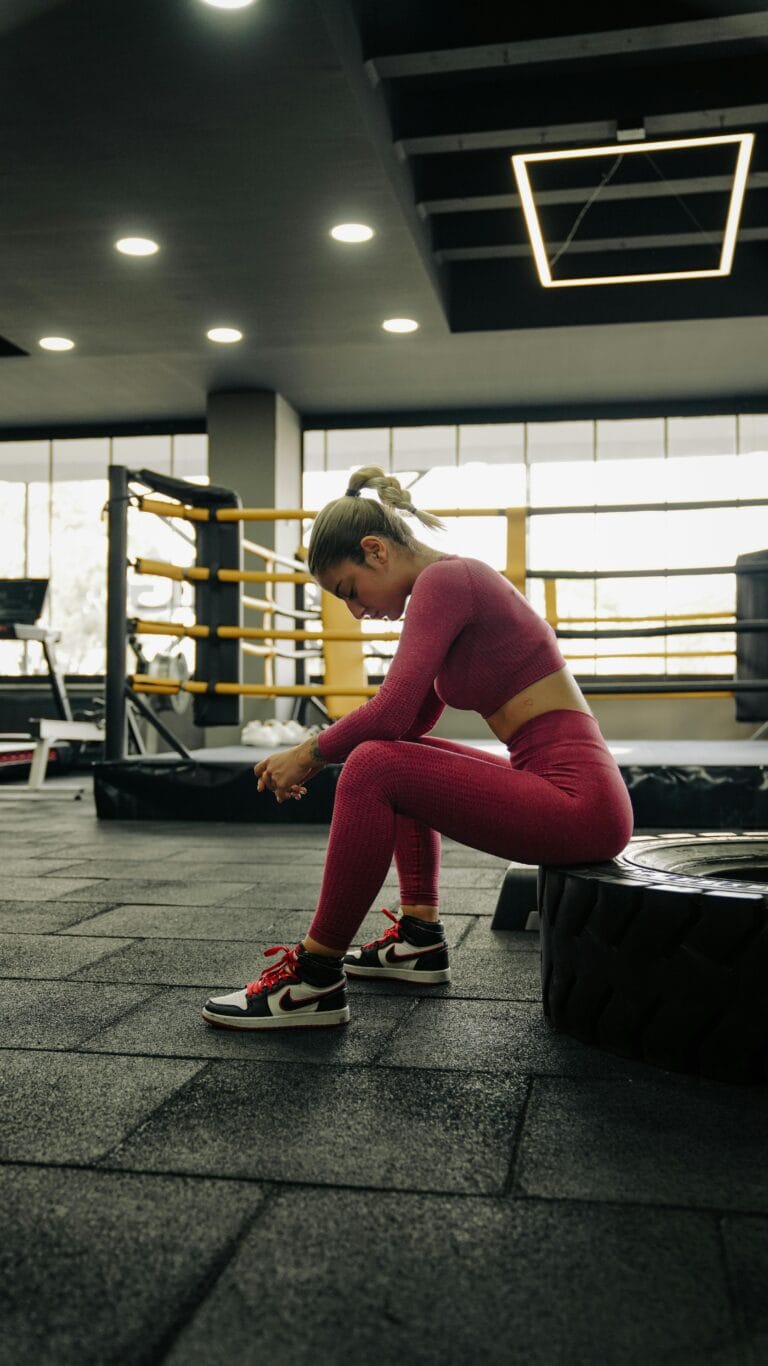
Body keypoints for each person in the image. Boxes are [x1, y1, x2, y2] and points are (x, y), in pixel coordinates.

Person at [202, 466, 634, 1031]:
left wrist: (305, 754)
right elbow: (401, 725)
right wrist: (327, 749)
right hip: (570, 794)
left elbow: (390, 709)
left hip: (580, 801)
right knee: (390, 754)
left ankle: (314, 977)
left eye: (351, 591)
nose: (356, 612)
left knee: (374, 765)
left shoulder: (449, 582)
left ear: (376, 550)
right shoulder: (447, 591)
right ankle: (418, 939)